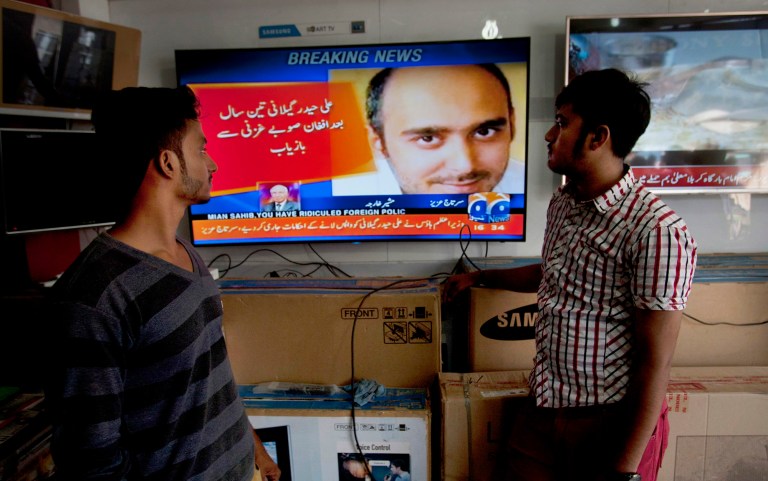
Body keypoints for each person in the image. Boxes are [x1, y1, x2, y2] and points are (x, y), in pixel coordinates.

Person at [443, 68, 697, 481]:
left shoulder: (656, 231)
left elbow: (656, 363)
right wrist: (481, 277)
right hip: (542, 411)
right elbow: (555, 274)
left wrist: (623, 471)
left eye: (561, 123)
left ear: (598, 137)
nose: (548, 135)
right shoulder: (565, 202)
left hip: (609, 426)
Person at [43, 86, 281, 481]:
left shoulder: (187, 256)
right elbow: (90, 460)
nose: (213, 164)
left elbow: (210, 373)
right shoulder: (94, 298)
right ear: (169, 162)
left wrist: (253, 449)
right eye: (201, 149)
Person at [332, 64, 525, 195]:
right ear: (377, 142)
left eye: (484, 132)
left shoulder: (525, 187)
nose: (465, 166)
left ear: (512, 124)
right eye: (428, 138)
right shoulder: (336, 197)